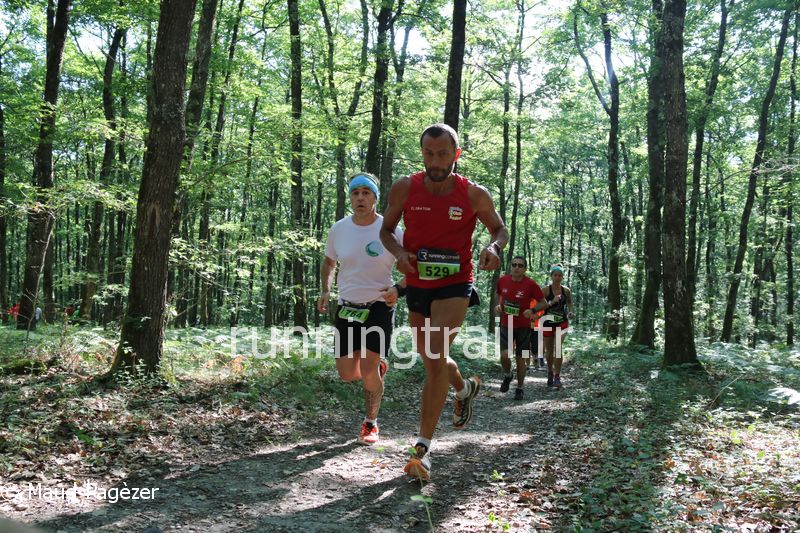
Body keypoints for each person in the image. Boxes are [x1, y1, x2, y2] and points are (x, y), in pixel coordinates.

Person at [380, 123, 508, 481]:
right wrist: (399, 253)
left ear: (457, 154)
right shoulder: (406, 187)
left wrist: (494, 246)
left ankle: (422, 449)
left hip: (455, 283)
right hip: (417, 284)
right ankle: (464, 389)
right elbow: (385, 230)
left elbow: (499, 229)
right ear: (422, 153)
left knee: (435, 356)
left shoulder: (474, 194)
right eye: (429, 154)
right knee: (433, 360)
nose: (435, 161)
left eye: (443, 154)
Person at [317, 172, 404, 446]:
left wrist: (398, 289)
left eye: (366, 193)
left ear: (375, 197)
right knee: (345, 373)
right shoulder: (339, 229)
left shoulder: (391, 230)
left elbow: (411, 267)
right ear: (350, 198)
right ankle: (377, 370)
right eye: (355, 193)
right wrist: (326, 290)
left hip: (379, 306)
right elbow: (329, 262)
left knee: (367, 370)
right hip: (347, 308)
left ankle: (370, 423)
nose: (360, 198)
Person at [495, 255, 546, 400]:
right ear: (510, 266)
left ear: (525, 269)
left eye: (520, 265)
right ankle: (508, 375)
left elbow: (543, 303)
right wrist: (497, 305)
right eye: (514, 264)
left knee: (521, 358)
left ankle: (520, 388)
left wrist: (533, 310)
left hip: (524, 327)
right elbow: (497, 294)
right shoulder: (503, 281)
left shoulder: (531, 284)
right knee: (505, 355)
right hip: (506, 324)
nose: (516, 267)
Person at [540, 264, 574, 390]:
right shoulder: (545, 290)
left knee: (558, 347)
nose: (557, 277)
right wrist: (551, 302)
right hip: (548, 322)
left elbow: (569, 303)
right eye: (555, 275)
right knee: (549, 351)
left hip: (561, 322)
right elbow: (539, 305)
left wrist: (571, 312)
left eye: (560, 275)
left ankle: (557, 376)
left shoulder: (566, 291)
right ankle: (550, 371)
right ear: (551, 276)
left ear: (562, 277)